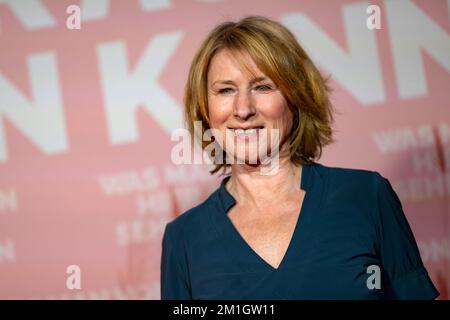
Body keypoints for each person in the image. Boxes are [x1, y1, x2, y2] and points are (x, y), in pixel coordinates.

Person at [160, 16, 439, 300]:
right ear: (205, 109)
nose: (243, 109)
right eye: (225, 90)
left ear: (296, 97)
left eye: (263, 86)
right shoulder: (184, 239)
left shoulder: (366, 197)